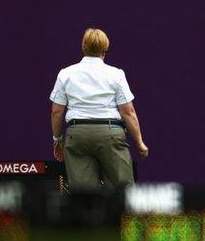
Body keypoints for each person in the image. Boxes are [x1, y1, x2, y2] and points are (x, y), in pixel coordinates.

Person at [49, 28, 149, 191]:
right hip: (110, 135)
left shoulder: (65, 74)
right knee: (121, 194)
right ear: (105, 49)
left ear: (83, 47)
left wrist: (57, 140)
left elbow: (56, 112)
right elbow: (128, 112)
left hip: (77, 135)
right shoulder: (116, 74)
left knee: (83, 197)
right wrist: (139, 142)